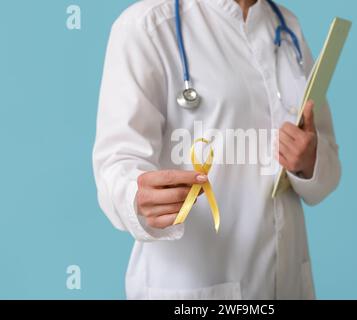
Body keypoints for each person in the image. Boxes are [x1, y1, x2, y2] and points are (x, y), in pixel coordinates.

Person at [93, 0, 341, 300]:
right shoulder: (146, 26)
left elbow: (326, 163)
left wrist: (308, 162)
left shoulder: (287, 27)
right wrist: (137, 195)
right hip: (194, 285)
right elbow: (116, 160)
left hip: (287, 282)